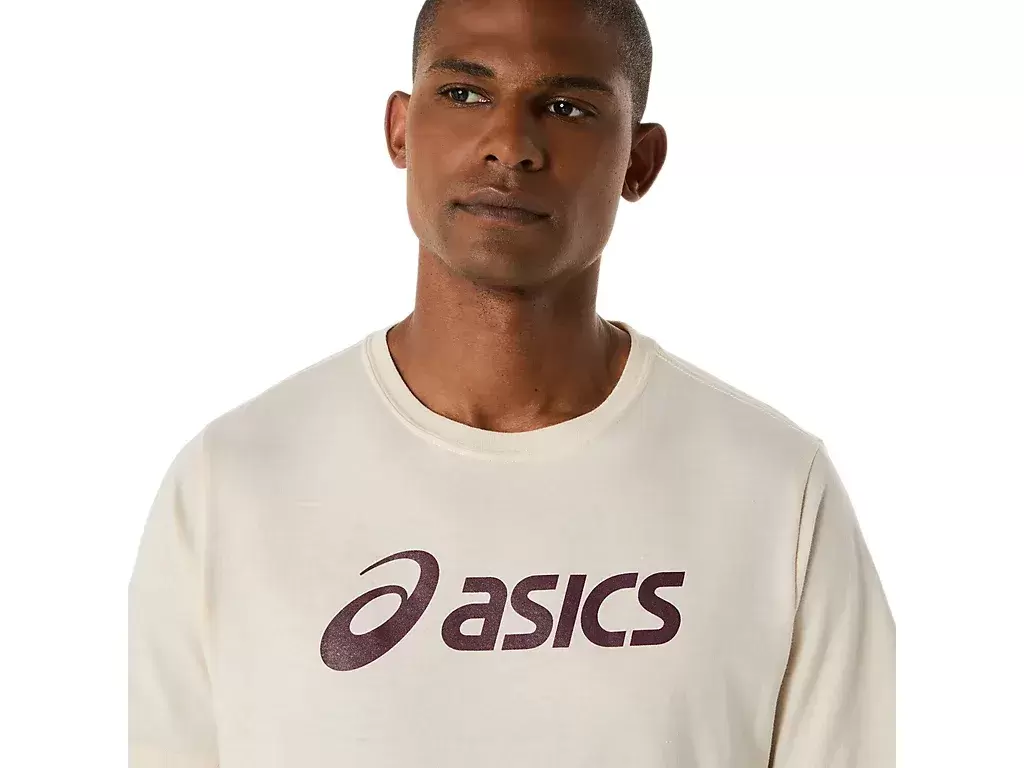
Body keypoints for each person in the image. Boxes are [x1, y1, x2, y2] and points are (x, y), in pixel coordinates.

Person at [128, 0, 896, 766]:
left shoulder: (773, 491)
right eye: (465, 93)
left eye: (566, 107)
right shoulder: (233, 481)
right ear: (400, 129)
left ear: (640, 161)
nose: (510, 145)